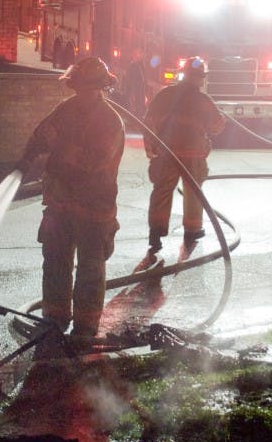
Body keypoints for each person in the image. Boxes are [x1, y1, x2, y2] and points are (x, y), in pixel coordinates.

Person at [16, 57, 125, 338]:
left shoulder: (110, 121)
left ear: (101, 87)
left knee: (90, 268)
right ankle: (54, 319)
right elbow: (41, 135)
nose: (83, 92)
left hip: (93, 207)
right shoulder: (64, 110)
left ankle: (86, 328)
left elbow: (93, 162)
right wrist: (26, 160)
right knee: (55, 263)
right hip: (60, 204)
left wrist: (59, 151)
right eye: (80, 86)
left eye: (89, 87)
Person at [134, 56, 226, 271]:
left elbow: (148, 124)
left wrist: (152, 151)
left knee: (161, 193)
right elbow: (216, 127)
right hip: (193, 155)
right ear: (200, 78)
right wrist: (222, 118)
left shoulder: (164, 95)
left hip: (166, 155)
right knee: (193, 193)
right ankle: (192, 232)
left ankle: (156, 234)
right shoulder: (203, 101)